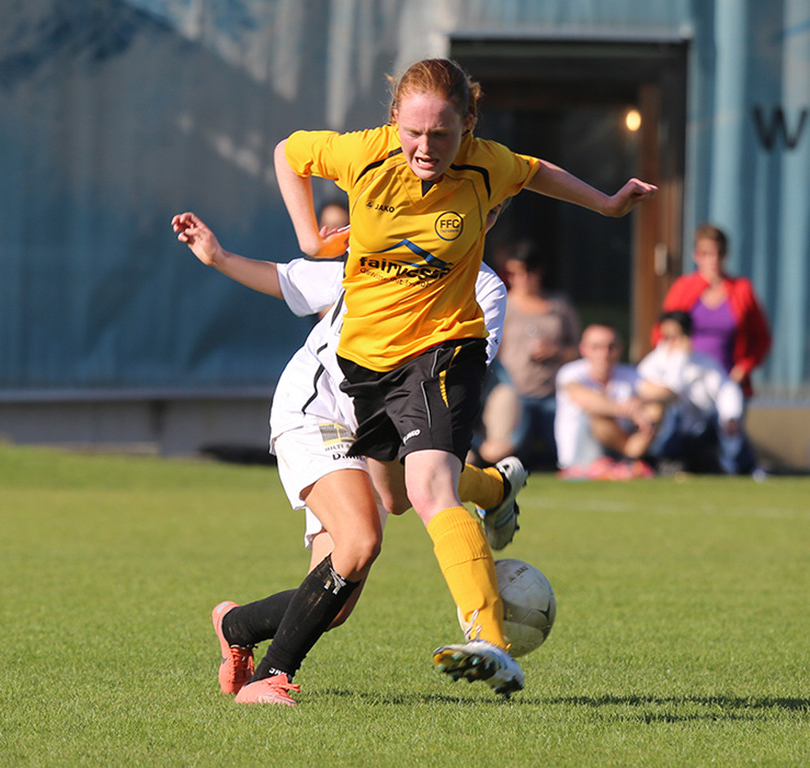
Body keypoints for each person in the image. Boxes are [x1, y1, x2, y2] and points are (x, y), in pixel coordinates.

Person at [272, 57, 656, 697]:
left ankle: (491, 642)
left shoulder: (487, 164)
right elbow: (288, 152)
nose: (425, 148)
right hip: (365, 364)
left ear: (469, 124)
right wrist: (310, 238)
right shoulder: (361, 153)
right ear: (394, 120)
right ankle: (494, 488)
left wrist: (608, 204)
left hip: (443, 349)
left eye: (442, 134)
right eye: (413, 132)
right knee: (396, 496)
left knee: (427, 490)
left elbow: (536, 171)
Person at [172, 206, 527, 706]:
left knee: (334, 605)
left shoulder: (485, 289)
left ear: (490, 217)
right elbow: (290, 280)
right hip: (317, 409)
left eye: (480, 208)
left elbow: (453, 381)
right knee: (361, 541)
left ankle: (236, 625)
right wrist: (219, 257)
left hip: (383, 424)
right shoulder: (387, 252)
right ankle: (269, 679)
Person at [475, 239, 581, 469]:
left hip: (554, 395)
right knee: (514, 455)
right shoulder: (501, 303)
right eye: (512, 274)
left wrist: (555, 352)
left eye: (524, 273)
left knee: (558, 456)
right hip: (514, 395)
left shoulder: (559, 306)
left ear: (537, 272)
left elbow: (579, 352)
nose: (519, 279)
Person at [655, 223, 771, 398]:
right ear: (696, 255)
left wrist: (743, 368)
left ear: (726, 254)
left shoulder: (742, 289)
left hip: (728, 381)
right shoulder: (683, 288)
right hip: (687, 382)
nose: (713, 260)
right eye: (706, 253)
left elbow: (762, 339)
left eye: (719, 253)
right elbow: (661, 333)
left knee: (730, 414)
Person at [638, 311, 754, 475]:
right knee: (670, 410)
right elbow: (672, 389)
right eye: (667, 336)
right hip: (667, 433)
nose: (672, 342)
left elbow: (726, 389)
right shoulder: (652, 363)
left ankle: (737, 466)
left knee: (725, 422)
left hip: (701, 431)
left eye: (677, 336)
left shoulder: (704, 362)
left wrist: (730, 416)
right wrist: (680, 358)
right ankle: (661, 461)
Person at [554, 324, 662, 478]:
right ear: (583, 349)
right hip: (580, 457)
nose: (604, 353)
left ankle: (629, 458)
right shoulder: (570, 373)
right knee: (598, 415)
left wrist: (640, 401)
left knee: (656, 408)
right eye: (596, 347)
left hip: (621, 444)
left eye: (611, 347)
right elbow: (585, 399)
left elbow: (667, 393)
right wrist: (630, 412)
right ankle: (626, 460)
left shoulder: (629, 373)